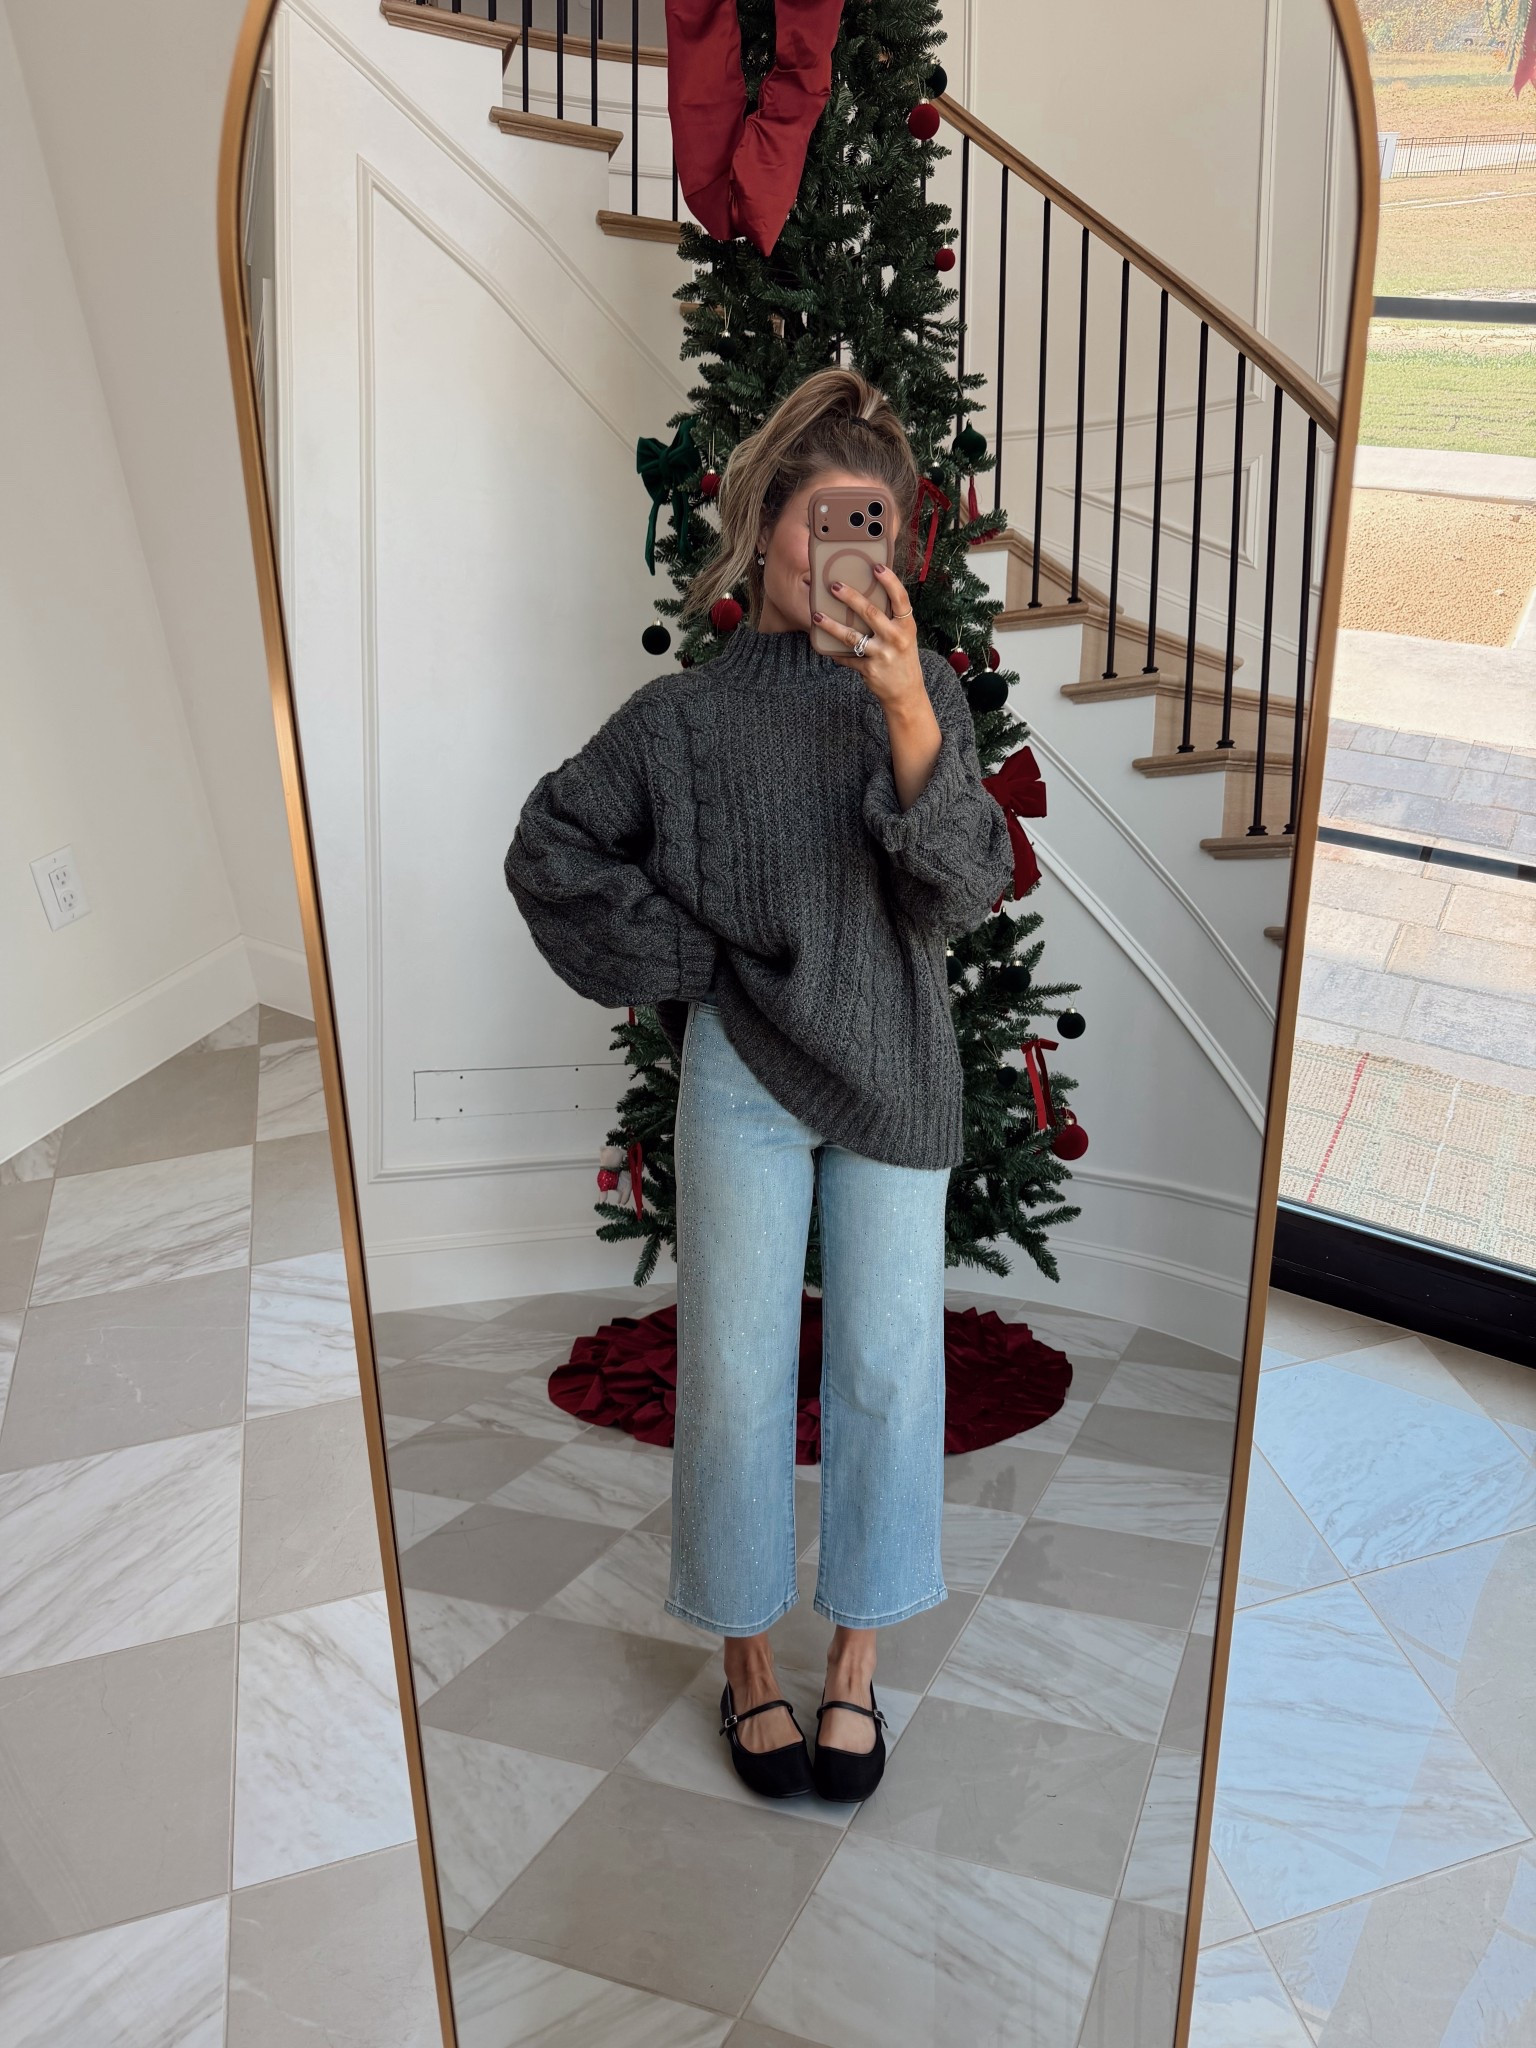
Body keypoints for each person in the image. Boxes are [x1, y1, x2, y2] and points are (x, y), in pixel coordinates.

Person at [504, 365, 1015, 1802]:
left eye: (875, 523)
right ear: (766, 522)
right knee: (733, 1373)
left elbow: (964, 887)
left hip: (894, 1070)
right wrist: (697, 959)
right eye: (823, 519)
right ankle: (744, 1662)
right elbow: (551, 848)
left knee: (886, 1368)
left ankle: (854, 1663)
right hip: (742, 1072)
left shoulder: (924, 695)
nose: (847, 548)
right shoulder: (680, 721)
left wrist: (907, 710)